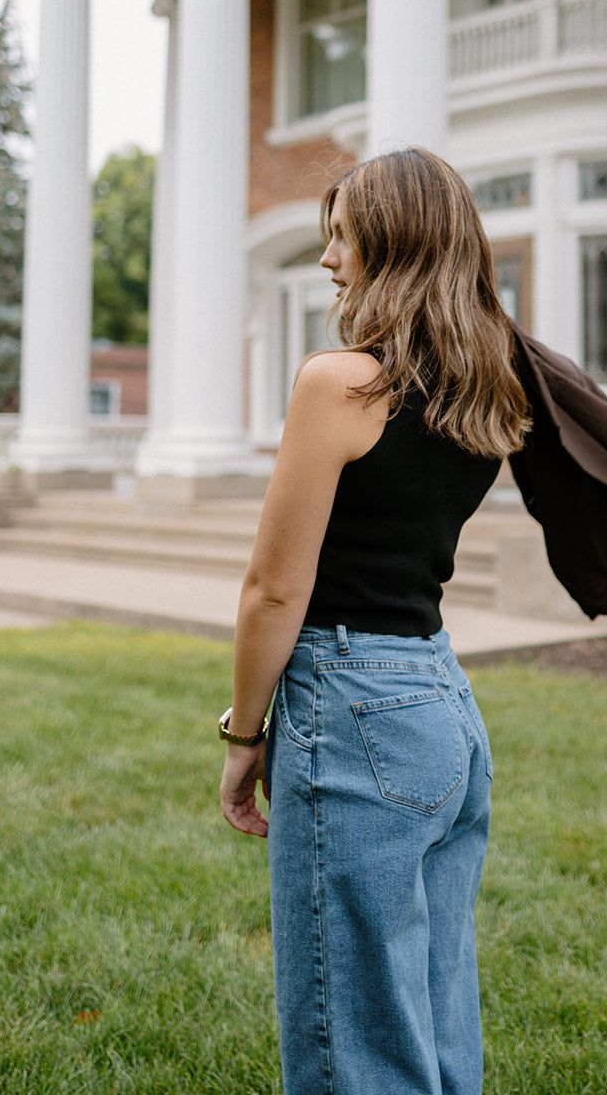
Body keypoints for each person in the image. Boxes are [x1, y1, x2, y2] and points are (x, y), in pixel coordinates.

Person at [219, 147, 530, 1095]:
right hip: (441, 705)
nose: (326, 259)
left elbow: (275, 589)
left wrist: (242, 733)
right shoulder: (490, 387)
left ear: (391, 243)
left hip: (352, 708)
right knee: (432, 1011)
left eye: (342, 236)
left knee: (352, 1031)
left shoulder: (342, 384)